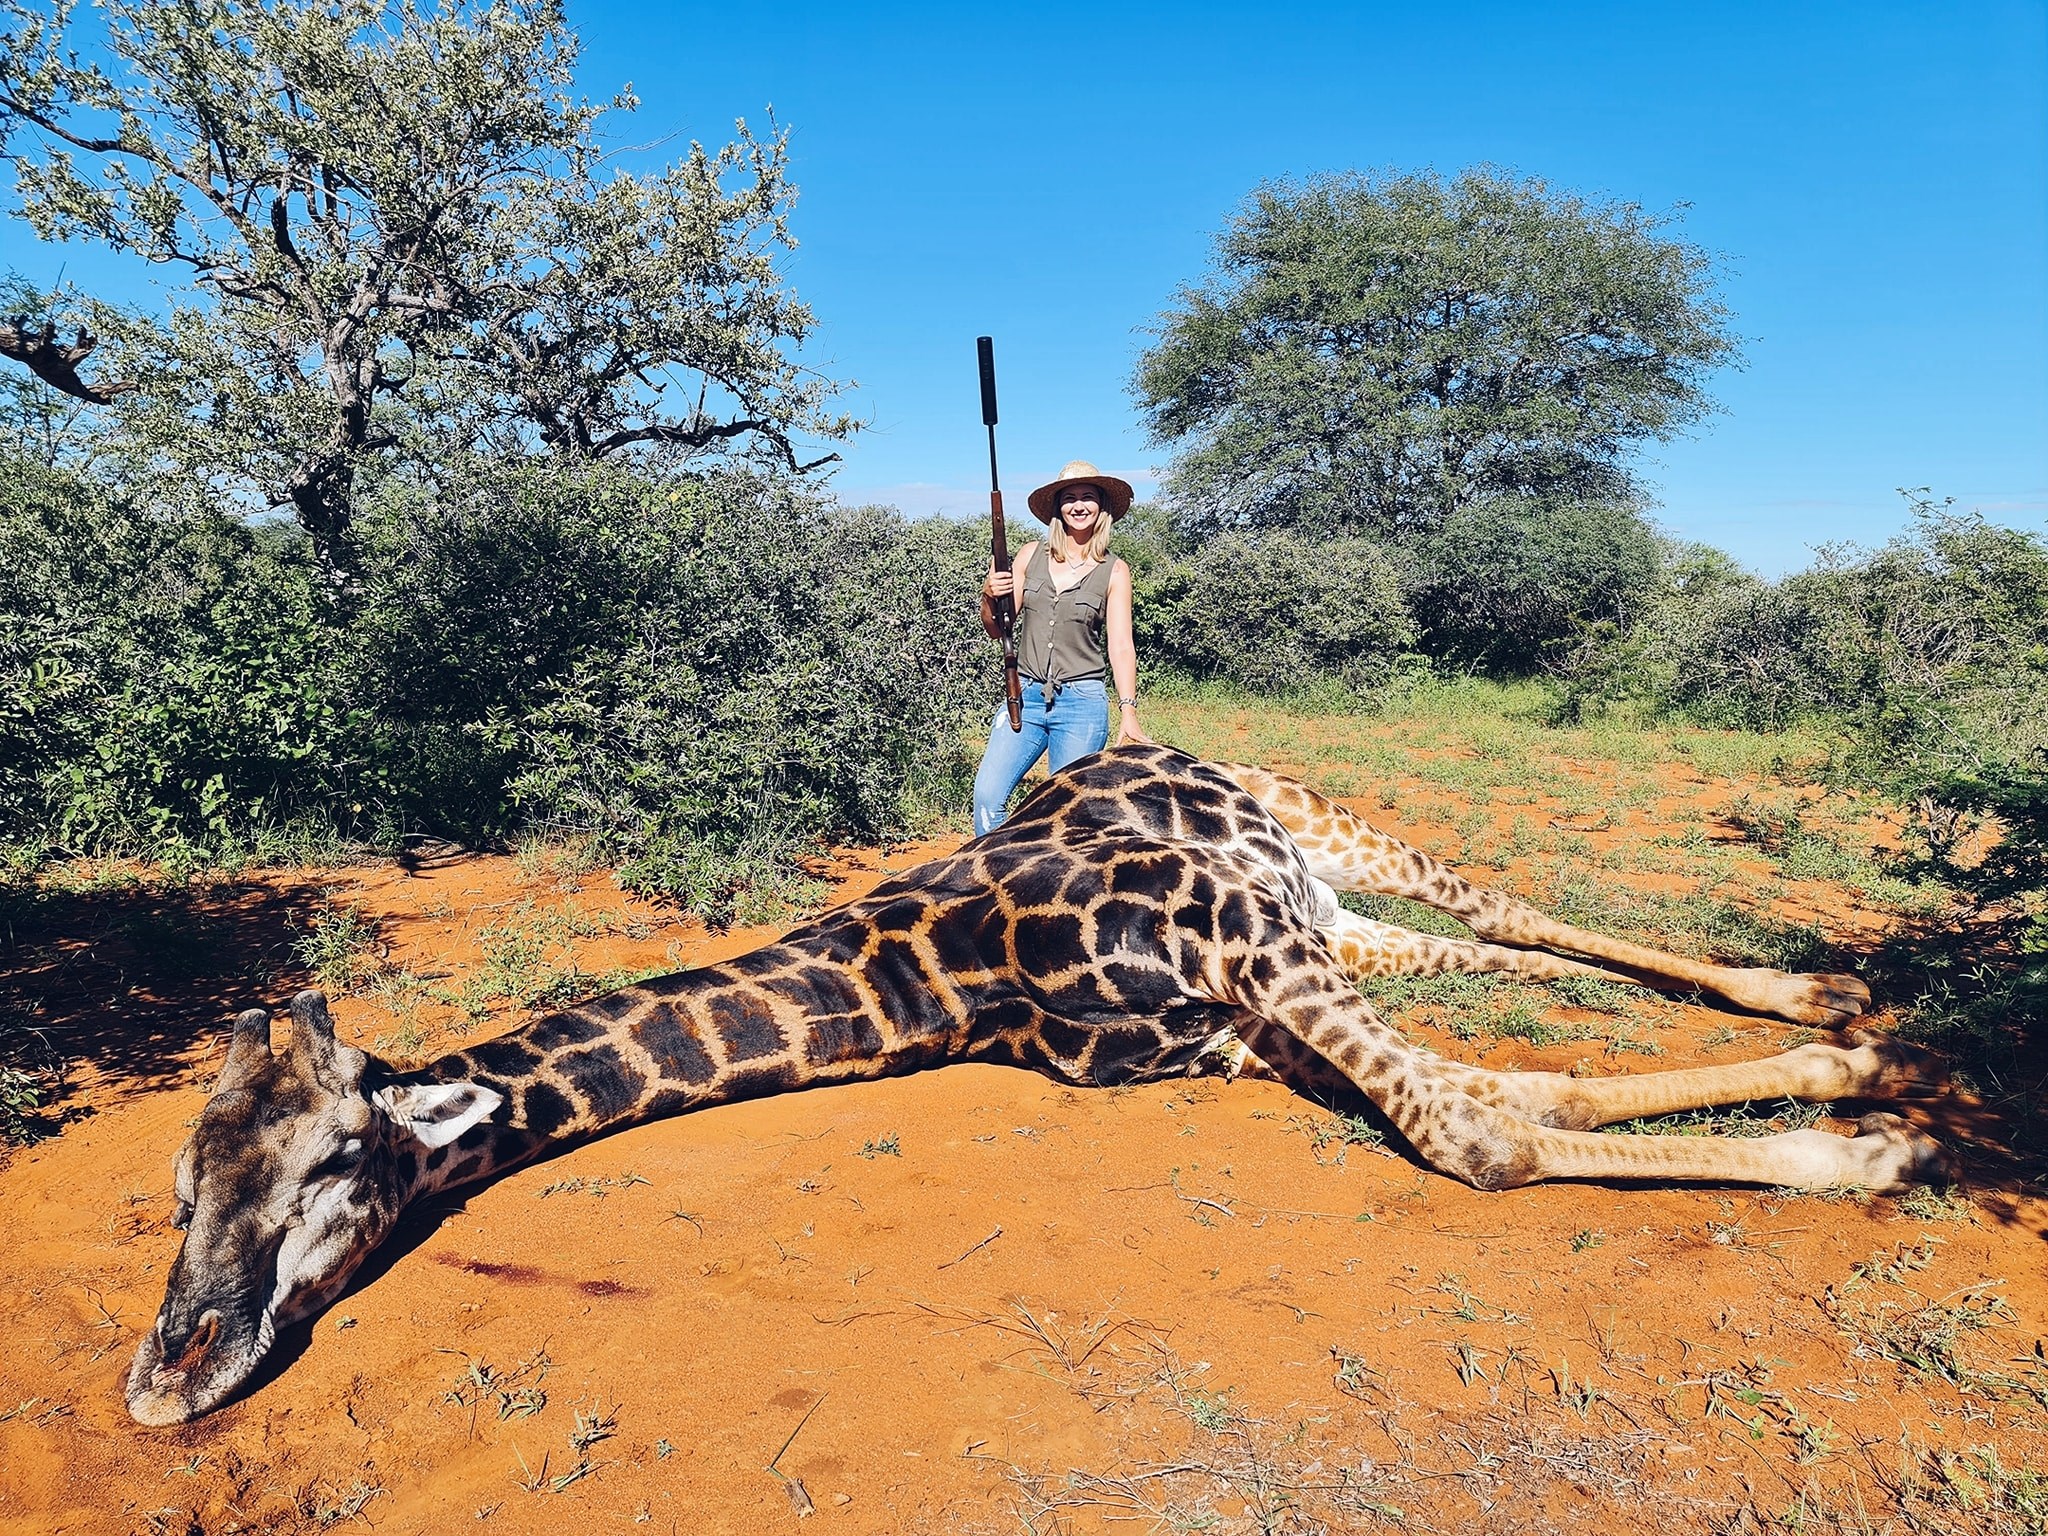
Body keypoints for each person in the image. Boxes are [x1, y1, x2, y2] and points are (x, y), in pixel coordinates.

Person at [972, 459, 1152, 835]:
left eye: (1088, 497)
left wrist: (1129, 710)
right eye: (1070, 498)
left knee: (1070, 814)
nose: (1079, 505)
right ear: (1058, 508)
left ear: (1102, 507)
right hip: (1024, 696)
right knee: (989, 797)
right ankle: (995, 883)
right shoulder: (1029, 555)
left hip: (1082, 703)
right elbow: (996, 629)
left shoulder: (1115, 570)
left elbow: (1120, 645)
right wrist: (989, 597)